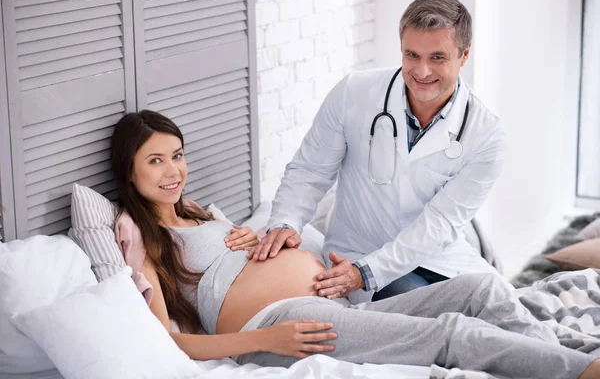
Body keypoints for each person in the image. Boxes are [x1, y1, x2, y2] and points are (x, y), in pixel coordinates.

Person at [108, 110, 600, 379]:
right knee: (449, 334)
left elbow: (253, 259)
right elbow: (170, 342)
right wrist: (263, 341)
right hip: (281, 326)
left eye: (177, 156)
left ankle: (560, 365)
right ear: (129, 169)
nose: (173, 171)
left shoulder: (204, 213)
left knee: (481, 290)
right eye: (155, 161)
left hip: (325, 298)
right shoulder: (146, 244)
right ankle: (581, 373)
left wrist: (260, 243)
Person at [250, 0, 507, 303]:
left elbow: (438, 224)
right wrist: (285, 221)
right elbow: (310, 169)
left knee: (501, 302)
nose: (422, 71)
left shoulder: (486, 134)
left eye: (437, 57)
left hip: (442, 258)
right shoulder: (354, 94)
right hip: (361, 252)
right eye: (412, 55)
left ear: (464, 55)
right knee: (439, 320)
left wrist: (365, 273)